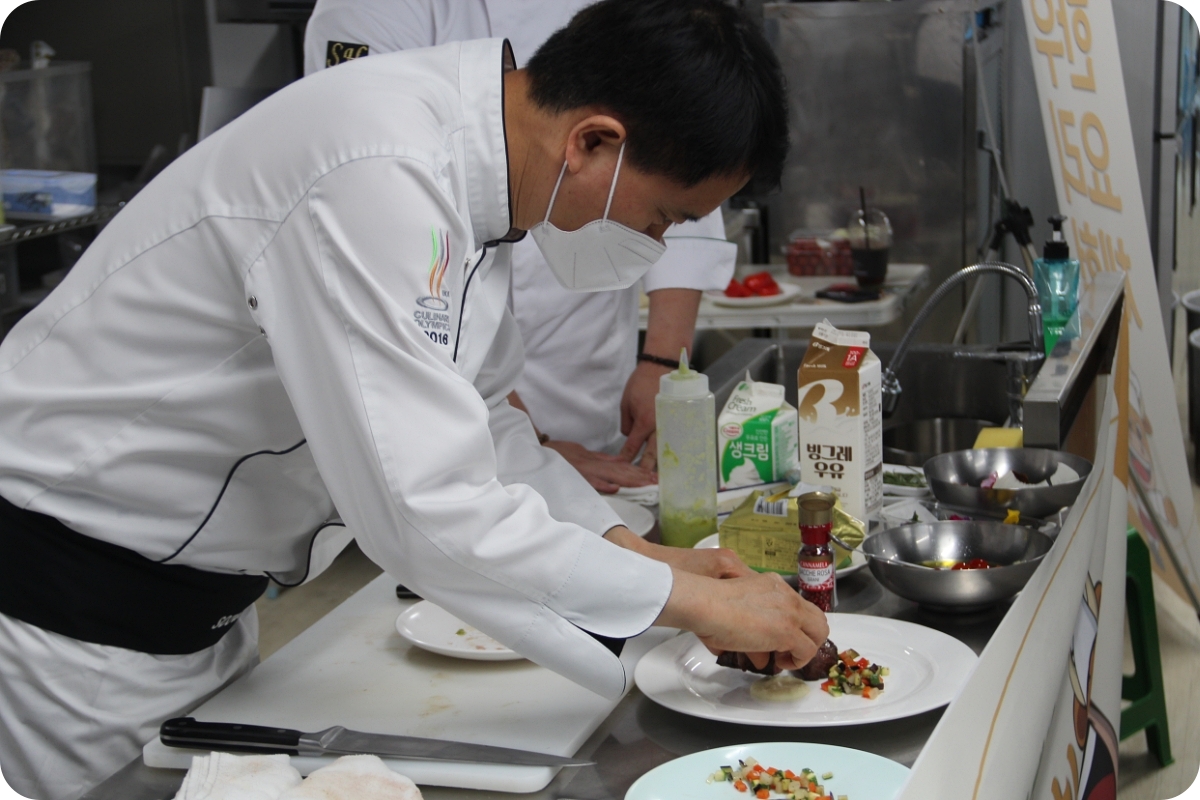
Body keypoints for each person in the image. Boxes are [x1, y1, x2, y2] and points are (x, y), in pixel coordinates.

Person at [0, 3, 825, 798]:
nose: (654, 245)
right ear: (593, 141)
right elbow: (422, 504)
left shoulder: (473, 172)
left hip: (195, 608)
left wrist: (643, 558)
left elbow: (484, 419)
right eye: (663, 218)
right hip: (72, 622)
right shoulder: (378, 170)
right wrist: (686, 600)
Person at [303, 0, 737, 493]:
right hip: (432, 403)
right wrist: (534, 450)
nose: (655, 236)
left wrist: (663, 363)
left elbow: (679, 177)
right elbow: (399, 279)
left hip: (585, 384)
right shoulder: (397, 137)